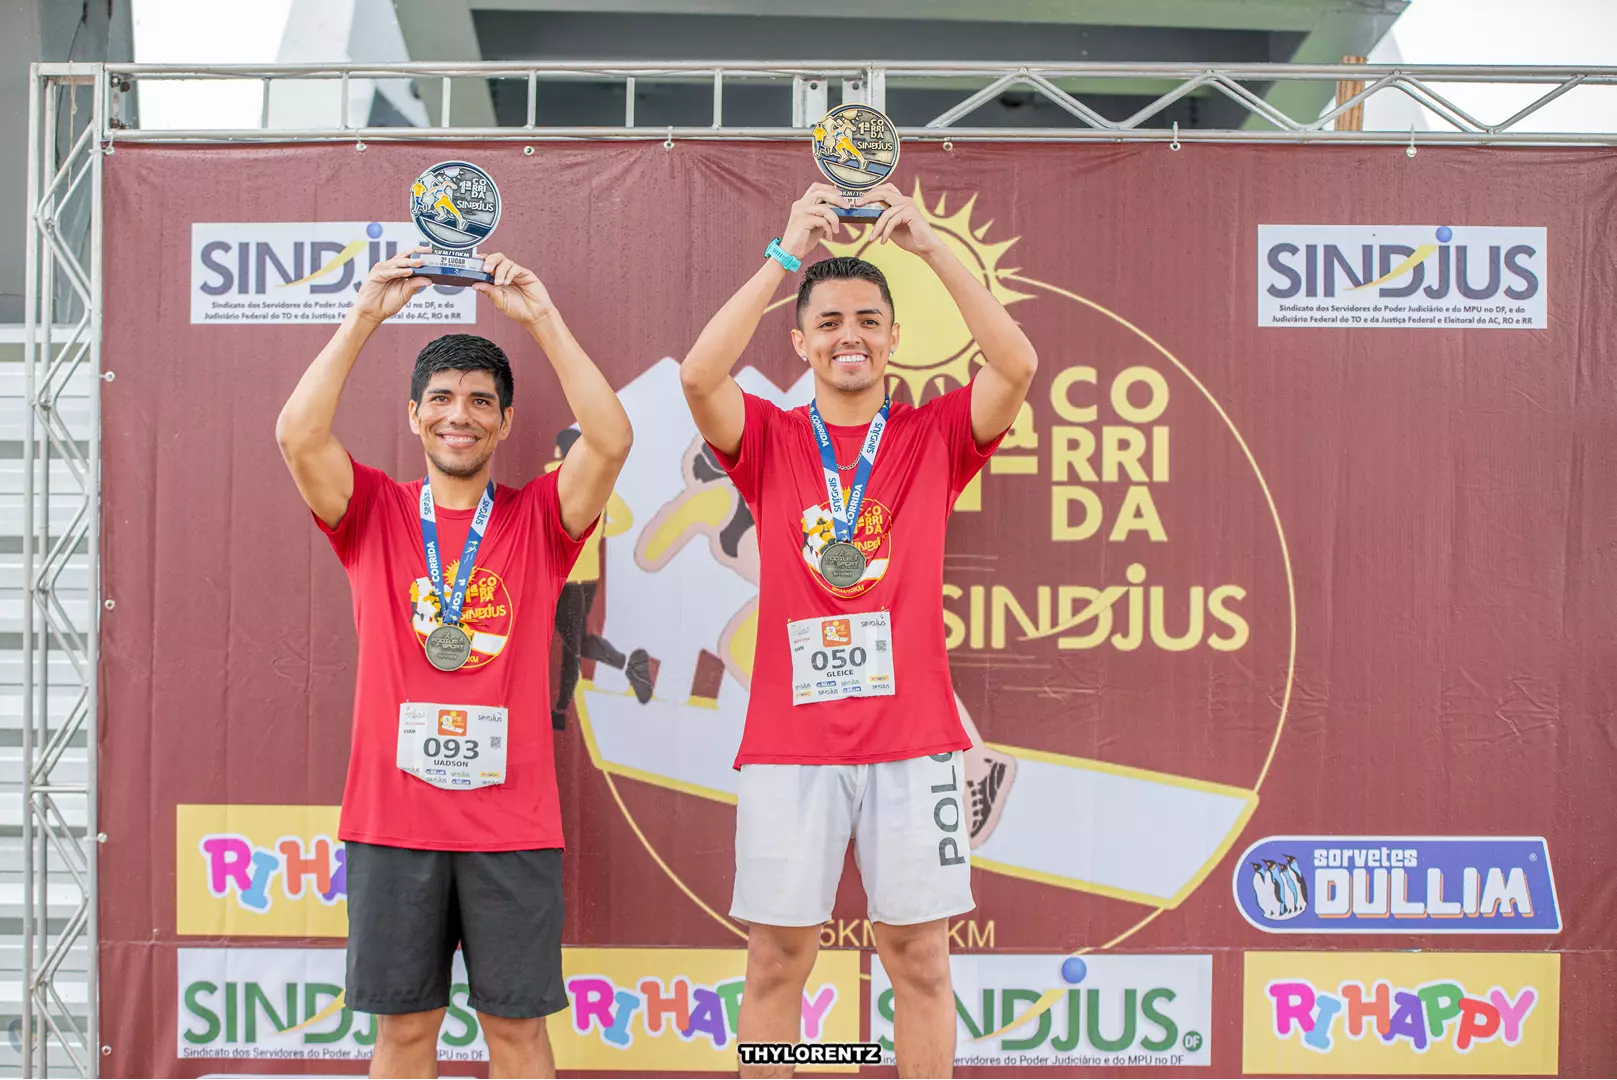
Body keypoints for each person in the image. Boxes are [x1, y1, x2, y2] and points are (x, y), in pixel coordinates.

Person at [679, 183, 1038, 1078]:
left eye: (869, 321)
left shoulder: (932, 435)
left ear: (893, 338)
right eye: (829, 321)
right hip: (790, 744)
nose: (851, 335)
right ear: (799, 342)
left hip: (913, 744)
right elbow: (698, 377)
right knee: (776, 959)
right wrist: (783, 254)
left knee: (919, 959)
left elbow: (1016, 365)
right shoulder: (769, 438)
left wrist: (930, 249)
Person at [274, 245, 631, 1080]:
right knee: (403, 1036)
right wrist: (366, 314)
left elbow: (610, 439)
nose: (458, 415)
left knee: (517, 1038)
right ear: (413, 416)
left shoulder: (541, 519)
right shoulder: (371, 511)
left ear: (505, 423)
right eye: (440, 398)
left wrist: (541, 316)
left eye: (479, 401)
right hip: (393, 823)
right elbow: (297, 434)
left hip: (512, 826)